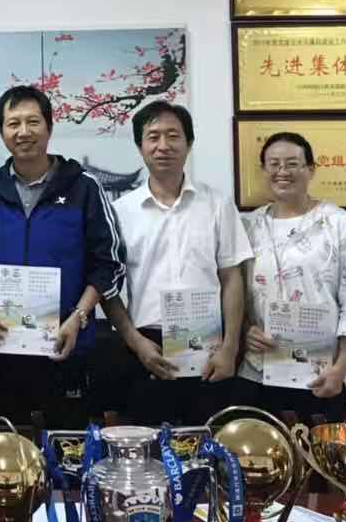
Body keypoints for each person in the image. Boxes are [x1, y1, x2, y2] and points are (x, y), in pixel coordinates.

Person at [0, 86, 126, 428]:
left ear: (49, 127)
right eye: (13, 123)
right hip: (3, 346)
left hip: (67, 345)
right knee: (8, 449)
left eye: (33, 122)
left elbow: (108, 263)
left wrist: (78, 316)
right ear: (2, 132)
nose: (23, 132)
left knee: (69, 448)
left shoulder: (84, 187)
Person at [105, 102, 251, 427]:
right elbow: (108, 287)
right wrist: (135, 342)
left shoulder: (217, 204)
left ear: (189, 143)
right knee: (149, 445)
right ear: (140, 146)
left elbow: (232, 278)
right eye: (153, 136)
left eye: (173, 136)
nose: (163, 145)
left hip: (209, 347)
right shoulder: (120, 212)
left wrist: (230, 348)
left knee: (207, 443)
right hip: (146, 347)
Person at [237, 132, 346, 422]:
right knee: (262, 449)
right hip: (258, 371)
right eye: (274, 164)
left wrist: (341, 367)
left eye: (292, 163)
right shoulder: (249, 225)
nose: (282, 171)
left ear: (311, 169)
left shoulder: (336, 221)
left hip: (321, 373)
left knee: (319, 450)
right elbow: (239, 293)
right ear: (263, 170)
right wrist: (246, 329)